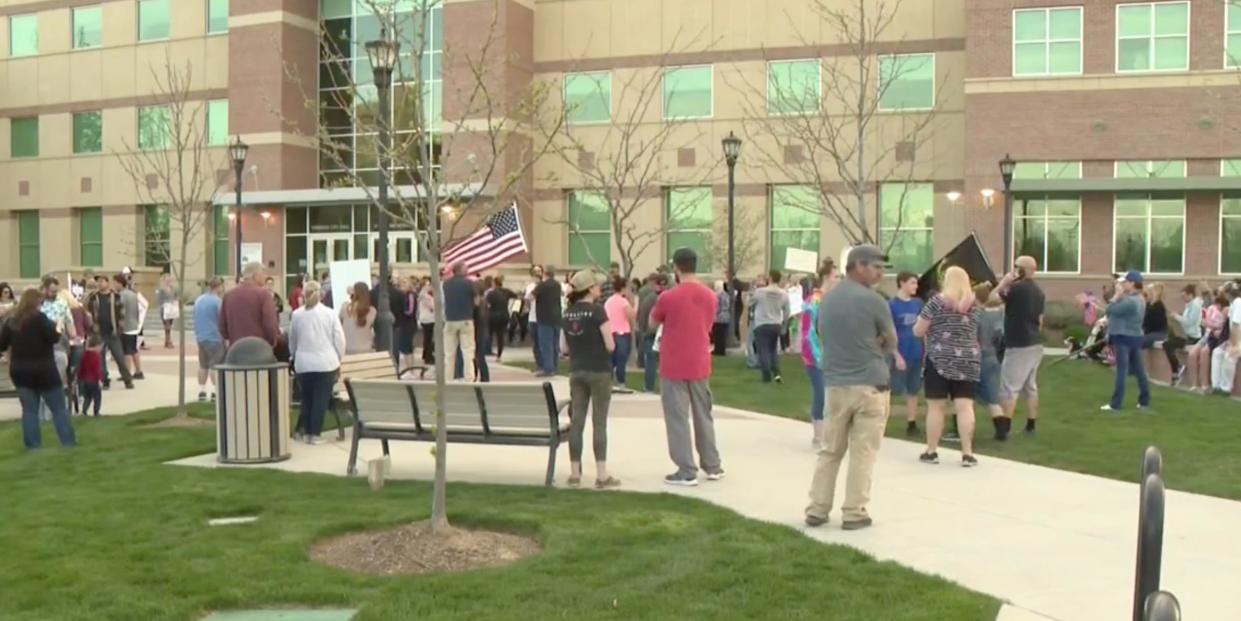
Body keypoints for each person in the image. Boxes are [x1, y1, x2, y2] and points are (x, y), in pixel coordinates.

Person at [805, 245, 896, 531]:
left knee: (830, 450)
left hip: (835, 385)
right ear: (858, 266)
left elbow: (820, 334)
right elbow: (891, 340)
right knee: (862, 452)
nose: (881, 273)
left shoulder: (827, 300)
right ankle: (854, 512)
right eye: (876, 267)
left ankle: (817, 509)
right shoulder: (874, 301)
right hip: (870, 383)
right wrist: (877, 344)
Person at [651, 248, 723, 487]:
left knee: (677, 416)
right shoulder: (710, 296)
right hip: (700, 361)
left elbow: (653, 322)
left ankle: (686, 469)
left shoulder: (668, 297)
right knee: (704, 414)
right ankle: (712, 464)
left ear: (676, 267)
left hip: (673, 363)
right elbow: (709, 323)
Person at [913, 267, 981, 467]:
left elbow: (919, 330)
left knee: (936, 406)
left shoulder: (936, 302)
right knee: (965, 406)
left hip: (940, 358)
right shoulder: (974, 304)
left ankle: (932, 451)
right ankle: (967, 453)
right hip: (968, 359)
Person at [559, 270, 621, 489]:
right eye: (596, 285)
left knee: (577, 421)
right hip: (599, 370)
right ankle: (601, 475)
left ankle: (575, 474)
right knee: (599, 422)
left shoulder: (567, 313)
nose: (598, 288)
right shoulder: (598, 312)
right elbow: (610, 345)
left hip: (576, 370)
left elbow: (563, 348)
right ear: (589, 289)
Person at [1, 289, 77, 449]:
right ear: (36, 303)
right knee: (58, 409)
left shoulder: (12, 322)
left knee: (29, 411)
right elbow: (54, 337)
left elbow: (2, 344)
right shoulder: (41, 320)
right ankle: (68, 443)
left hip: (20, 371)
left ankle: (33, 446)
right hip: (44, 371)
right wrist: (58, 327)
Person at [989, 255, 1045, 439]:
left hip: (1018, 344)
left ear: (1022, 270)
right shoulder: (1039, 291)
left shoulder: (1015, 288)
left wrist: (1003, 282)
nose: (1013, 269)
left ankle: (1003, 431)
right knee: (1030, 386)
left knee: (1009, 388)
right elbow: (1040, 320)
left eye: (1015, 266)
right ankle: (1031, 425)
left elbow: (990, 300)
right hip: (1035, 343)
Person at [289, 280, 346, 445]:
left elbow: (293, 339)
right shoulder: (329, 313)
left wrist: (294, 356)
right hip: (325, 363)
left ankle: (302, 430)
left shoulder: (297, 314)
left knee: (307, 398)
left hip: (303, 363)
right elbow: (339, 339)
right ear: (320, 294)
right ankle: (314, 433)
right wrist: (338, 357)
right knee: (320, 399)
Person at [802, 260, 840, 449]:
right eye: (836, 276)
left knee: (833, 394)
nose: (839, 280)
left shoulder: (834, 299)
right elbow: (809, 331)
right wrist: (817, 355)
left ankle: (829, 433)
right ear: (826, 277)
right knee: (821, 393)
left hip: (833, 355)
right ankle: (819, 435)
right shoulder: (815, 300)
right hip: (815, 355)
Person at [1102, 271, 1150, 411]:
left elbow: (1110, 310)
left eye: (1126, 283)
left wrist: (1116, 295)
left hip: (1124, 338)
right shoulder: (1138, 298)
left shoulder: (1131, 301)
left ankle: (1115, 404)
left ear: (1133, 284)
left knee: (1122, 371)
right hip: (1133, 337)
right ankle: (1144, 401)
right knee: (1139, 371)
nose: (1123, 285)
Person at [888, 272, 924, 436]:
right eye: (912, 283)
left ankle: (912, 422)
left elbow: (924, 327)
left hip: (916, 351)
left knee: (913, 389)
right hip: (900, 352)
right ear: (901, 283)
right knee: (891, 389)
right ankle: (882, 419)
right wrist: (896, 355)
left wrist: (925, 350)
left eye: (916, 283)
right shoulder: (892, 305)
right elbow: (889, 331)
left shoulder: (918, 304)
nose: (915, 287)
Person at [83, 276, 133, 390]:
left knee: (120, 358)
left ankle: (127, 380)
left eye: (102, 281)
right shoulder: (93, 298)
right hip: (99, 333)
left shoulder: (115, 297)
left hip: (113, 333)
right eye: (98, 282)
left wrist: (119, 328)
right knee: (100, 361)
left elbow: (122, 312)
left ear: (107, 283)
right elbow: (85, 309)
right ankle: (105, 381)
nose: (100, 284)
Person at [219, 262, 280, 347]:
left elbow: (222, 326)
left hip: (236, 348)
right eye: (263, 273)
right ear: (255, 276)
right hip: (258, 347)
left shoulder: (228, 295)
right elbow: (270, 323)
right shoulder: (264, 294)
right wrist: (272, 341)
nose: (265, 277)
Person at [974, 285, 1006, 439]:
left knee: (964, 397)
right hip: (994, 358)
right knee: (993, 398)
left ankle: (959, 430)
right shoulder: (997, 316)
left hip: (979, 359)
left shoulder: (976, 316)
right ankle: (1001, 432)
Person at [748, 270, 791, 383]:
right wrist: (784, 324)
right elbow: (787, 312)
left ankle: (766, 376)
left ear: (770, 278)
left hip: (762, 324)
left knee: (763, 350)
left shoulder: (760, 292)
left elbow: (749, 303)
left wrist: (749, 296)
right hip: (776, 324)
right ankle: (777, 374)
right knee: (773, 350)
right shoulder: (783, 294)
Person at [441, 261, 477, 381]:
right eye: (465, 268)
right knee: (467, 351)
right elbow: (477, 301)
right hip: (466, 319)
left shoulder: (446, 284)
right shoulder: (469, 283)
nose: (467, 270)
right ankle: (469, 378)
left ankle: (448, 378)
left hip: (450, 319)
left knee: (449, 353)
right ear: (461, 270)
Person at [1188, 292, 1228, 393]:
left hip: (1216, 338)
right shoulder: (1211, 308)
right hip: (1207, 336)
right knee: (1192, 354)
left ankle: (1204, 385)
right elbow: (1205, 323)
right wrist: (1211, 326)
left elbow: (1223, 328)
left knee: (1204, 352)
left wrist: (1211, 326)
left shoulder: (1226, 310)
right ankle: (1194, 385)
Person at [193, 278, 225, 402]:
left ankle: (202, 390)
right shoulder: (217, 302)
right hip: (214, 337)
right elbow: (221, 319)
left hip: (201, 336)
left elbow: (195, 317)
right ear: (218, 287)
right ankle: (215, 391)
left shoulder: (199, 300)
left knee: (203, 365)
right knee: (214, 365)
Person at [604, 277, 636, 391]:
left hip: (611, 332)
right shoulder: (624, 302)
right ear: (623, 288)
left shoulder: (608, 301)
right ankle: (621, 382)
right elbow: (631, 315)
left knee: (611, 360)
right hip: (622, 333)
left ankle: (609, 382)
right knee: (621, 359)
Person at [637, 273, 667, 393]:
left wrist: (643, 330)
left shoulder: (648, 298)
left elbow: (641, 315)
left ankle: (649, 386)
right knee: (658, 362)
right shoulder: (664, 298)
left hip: (649, 332)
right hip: (659, 333)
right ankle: (661, 387)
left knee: (651, 361)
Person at [1168, 284, 1202, 385]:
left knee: (1169, 345)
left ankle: (1177, 369)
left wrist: (1177, 316)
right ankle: (1177, 368)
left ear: (1190, 295)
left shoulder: (1195, 306)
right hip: (1185, 335)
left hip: (1192, 337)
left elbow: (1189, 322)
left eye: (1184, 296)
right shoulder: (1188, 306)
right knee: (1167, 343)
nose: (1183, 299)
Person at [1210, 286, 1241, 396]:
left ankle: (1226, 388)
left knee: (1229, 355)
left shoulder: (1238, 302)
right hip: (1236, 337)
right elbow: (1231, 328)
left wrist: (1234, 345)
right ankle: (1216, 385)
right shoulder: (1232, 305)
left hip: (1239, 339)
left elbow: (1236, 325)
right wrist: (1229, 341)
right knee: (1217, 352)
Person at [533, 266, 564, 377]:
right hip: (556, 317)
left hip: (544, 318)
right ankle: (554, 367)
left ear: (545, 273)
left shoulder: (542, 285)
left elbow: (532, 295)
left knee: (546, 344)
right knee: (555, 344)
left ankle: (548, 368)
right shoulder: (557, 285)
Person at [116, 274, 143, 380]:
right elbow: (137, 309)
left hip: (126, 326)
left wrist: (119, 325)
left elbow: (121, 311)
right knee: (133, 349)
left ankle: (127, 373)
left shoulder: (121, 295)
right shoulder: (133, 294)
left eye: (115, 283)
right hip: (134, 325)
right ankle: (138, 371)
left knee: (126, 351)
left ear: (119, 283)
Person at [340, 281, 377, 355]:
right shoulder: (372, 311)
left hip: (347, 348)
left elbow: (340, 324)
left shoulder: (345, 308)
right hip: (366, 349)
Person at [485, 276, 513, 362]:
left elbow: (488, 305)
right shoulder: (507, 291)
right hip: (504, 315)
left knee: (489, 334)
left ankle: (487, 350)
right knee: (500, 336)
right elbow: (517, 296)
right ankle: (499, 355)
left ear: (494, 283)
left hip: (493, 316)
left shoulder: (491, 293)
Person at [395, 276, 418, 372]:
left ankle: (410, 369)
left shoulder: (411, 295)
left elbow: (410, 311)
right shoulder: (402, 295)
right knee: (405, 347)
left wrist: (401, 312)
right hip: (403, 323)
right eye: (401, 284)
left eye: (404, 283)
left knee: (407, 347)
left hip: (409, 324)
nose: (402, 286)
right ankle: (409, 368)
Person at [78, 334, 104, 417]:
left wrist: (80, 378)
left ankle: (84, 411)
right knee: (97, 397)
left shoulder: (84, 355)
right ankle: (96, 412)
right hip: (94, 380)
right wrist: (99, 380)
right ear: (97, 346)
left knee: (87, 397)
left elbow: (81, 368)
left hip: (85, 380)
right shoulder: (96, 356)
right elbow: (97, 369)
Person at [525, 265, 544, 364]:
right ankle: (539, 364)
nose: (537, 274)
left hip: (544, 318)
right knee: (536, 343)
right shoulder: (530, 287)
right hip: (533, 318)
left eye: (539, 271)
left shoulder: (545, 285)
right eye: (535, 272)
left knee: (543, 343)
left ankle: (546, 364)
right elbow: (527, 301)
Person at [156, 273, 178, 349]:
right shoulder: (161, 289)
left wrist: (175, 302)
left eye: (170, 280)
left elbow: (176, 297)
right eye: (167, 280)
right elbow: (159, 300)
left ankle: (166, 341)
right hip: (164, 310)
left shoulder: (173, 289)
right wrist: (163, 305)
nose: (168, 281)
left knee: (169, 326)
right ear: (164, 280)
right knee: (167, 326)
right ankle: (169, 341)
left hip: (171, 310)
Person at [417, 277, 436, 365]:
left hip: (428, 318)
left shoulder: (426, 295)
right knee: (428, 339)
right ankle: (428, 357)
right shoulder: (424, 296)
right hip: (428, 319)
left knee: (428, 338)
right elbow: (432, 307)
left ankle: (426, 354)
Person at [713, 281, 732, 356]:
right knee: (722, 335)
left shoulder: (718, 295)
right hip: (726, 316)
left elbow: (718, 307)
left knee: (718, 335)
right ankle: (721, 349)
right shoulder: (726, 295)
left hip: (719, 317)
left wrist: (714, 313)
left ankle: (718, 350)